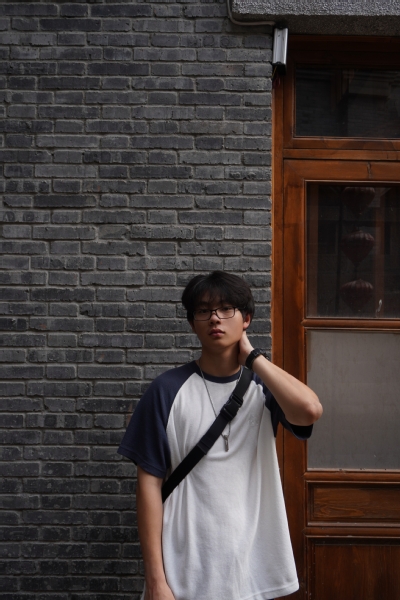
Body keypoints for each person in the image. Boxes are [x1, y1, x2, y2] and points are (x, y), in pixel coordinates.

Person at [118, 271, 322, 600]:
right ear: (192, 323)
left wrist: (254, 359)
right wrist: (156, 580)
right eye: (204, 310)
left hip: (250, 569)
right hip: (182, 568)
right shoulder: (166, 390)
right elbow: (148, 486)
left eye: (227, 309)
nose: (215, 318)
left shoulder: (264, 388)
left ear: (246, 319)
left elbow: (309, 410)